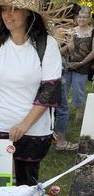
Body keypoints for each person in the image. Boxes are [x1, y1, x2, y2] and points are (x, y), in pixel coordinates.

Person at [0, 0, 68, 186]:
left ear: (29, 14)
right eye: (4, 9)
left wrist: (24, 125)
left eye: (15, 9)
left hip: (33, 131)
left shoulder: (47, 45)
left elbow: (49, 91)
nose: (7, 14)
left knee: (26, 187)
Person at [53, 2, 83, 151]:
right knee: (63, 108)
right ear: (72, 15)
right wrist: (68, 47)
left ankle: (53, 137)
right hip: (58, 74)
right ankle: (61, 142)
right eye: (78, 15)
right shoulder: (61, 30)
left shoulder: (60, 28)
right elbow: (54, 53)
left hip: (60, 72)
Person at [59, 6, 94, 126]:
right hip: (68, 65)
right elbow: (63, 50)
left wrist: (80, 63)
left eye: (85, 17)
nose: (81, 19)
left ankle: (79, 114)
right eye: (80, 16)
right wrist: (68, 47)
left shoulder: (92, 32)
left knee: (79, 91)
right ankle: (63, 113)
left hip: (82, 65)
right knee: (63, 90)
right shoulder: (71, 30)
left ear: (89, 19)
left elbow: (93, 52)